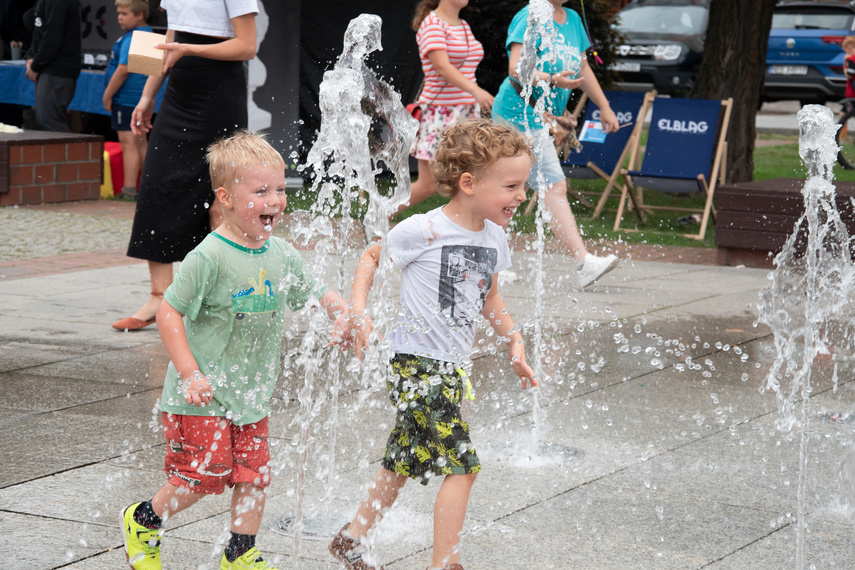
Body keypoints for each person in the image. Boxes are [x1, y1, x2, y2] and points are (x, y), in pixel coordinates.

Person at [121, 131, 351, 570]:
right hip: (202, 394)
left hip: (251, 392)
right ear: (225, 197)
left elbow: (318, 291)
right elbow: (168, 313)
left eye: (280, 189)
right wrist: (189, 372)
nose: (275, 200)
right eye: (261, 191)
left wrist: (339, 312)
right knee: (203, 476)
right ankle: (144, 520)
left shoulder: (281, 253)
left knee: (254, 473)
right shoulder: (208, 256)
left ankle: (240, 552)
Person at [329, 119, 538, 570]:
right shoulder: (423, 229)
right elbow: (371, 255)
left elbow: (491, 296)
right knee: (464, 465)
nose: (521, 195)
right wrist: (359, 310)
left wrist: (514, 341)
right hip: (416, 364)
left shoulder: (494, 237)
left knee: (403, 460)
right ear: (468, 183)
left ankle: (352, 537)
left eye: (523, 184)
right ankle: (445, 563)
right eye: (512, 185)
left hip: (450, 366)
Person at [112, 0, 258, 331]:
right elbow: (169, 39)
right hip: (178, 92)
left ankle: (220, 298)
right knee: (156, 185)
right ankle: (159, 297)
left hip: (219, 92)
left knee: (220, 200)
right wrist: (148, 96)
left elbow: (247, 46)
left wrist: (187, 49)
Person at [492, 0, 619, 289]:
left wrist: (604, 106)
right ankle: (583, 261)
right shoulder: (530, 15)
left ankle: (488, 264)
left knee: (513, 189)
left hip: (537, 117)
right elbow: (515, 68)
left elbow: (583, 68)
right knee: (546, 186)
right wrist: (551, 79)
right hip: (516, 113)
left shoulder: (573, 19)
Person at [397, 0, 493, 216]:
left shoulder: (463, 26)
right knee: (428, 185)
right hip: (441, 114)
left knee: (471, 176)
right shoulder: (432, 24)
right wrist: (476, 91)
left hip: (466, 113)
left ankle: (469, 228)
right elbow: (442, 66)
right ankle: (378, 216)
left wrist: (473, 96)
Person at [102, 0, 152, 200]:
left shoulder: (133, 38)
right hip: (139, 99)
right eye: (118, 13)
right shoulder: (148, 34)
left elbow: (123, 70)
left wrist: (108, 95)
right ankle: (146, 188)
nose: (119, 17)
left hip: (125, 99)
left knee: (129, 143)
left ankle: (129, 189)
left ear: (139, 14)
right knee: (141, 143)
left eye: (124, 13)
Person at [24, 0, 81, 132]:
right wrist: (31, 57)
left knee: (49, 120)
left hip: (57, 69)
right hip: (50, 68)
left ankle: (73, 152)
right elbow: (39, 31)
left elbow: (52, 37)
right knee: (47, 119)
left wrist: (36, 65)